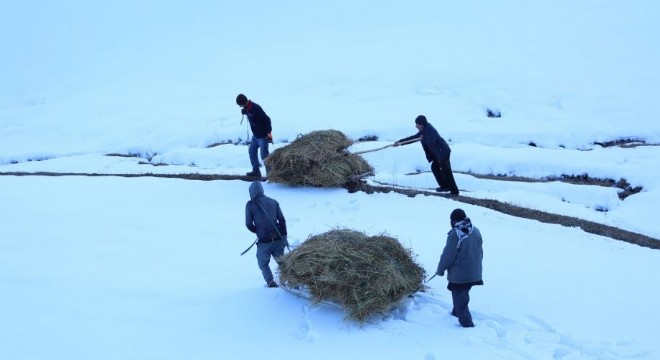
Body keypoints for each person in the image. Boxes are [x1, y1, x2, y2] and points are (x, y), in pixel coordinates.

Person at [436, 208, 484, 328]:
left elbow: (448, 255)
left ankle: (467, 325)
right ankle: (455, 312)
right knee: (462, 294)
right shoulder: (475, 230)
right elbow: (480, 252)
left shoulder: (456, 234)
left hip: (461, 274)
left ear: (453, 220)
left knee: (460, 300)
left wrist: (440, 270)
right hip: (474, 271)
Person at [394, 115, 459, 196]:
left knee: (446, 171)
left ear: (421, 124)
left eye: (417, 125)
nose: (416, 126)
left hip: (443, 152)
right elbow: (413, 138)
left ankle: (454, 192)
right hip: (438, 154)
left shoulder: (430, 129)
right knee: (435, 167)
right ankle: (444, 186)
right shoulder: (424, 130)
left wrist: (423, 138)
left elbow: (431, 141)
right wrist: (400, 142)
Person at [245, 181, 288, 287]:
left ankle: (270, 281)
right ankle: (290, 280)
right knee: (282, 262)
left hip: (264, 242)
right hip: (278, 239)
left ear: (251, 192)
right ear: (262, 190)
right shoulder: (273, 202)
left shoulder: (250, 205)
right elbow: (282, 220)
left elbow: (248, 224)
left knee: (263, 263)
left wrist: (258, 231)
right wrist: (284, 236)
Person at [236, 93, 272, 177]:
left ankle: (271, 175)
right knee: (251, 151)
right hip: (255, 136)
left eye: (240, 105)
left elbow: (267, 119)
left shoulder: (256, 108)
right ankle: (256, 171)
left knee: (264, 156)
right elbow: (250, 113)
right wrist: (245, 112)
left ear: (243, 102)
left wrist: (269, 133)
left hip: (263, 136)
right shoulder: (247, 108)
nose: (240, 107)